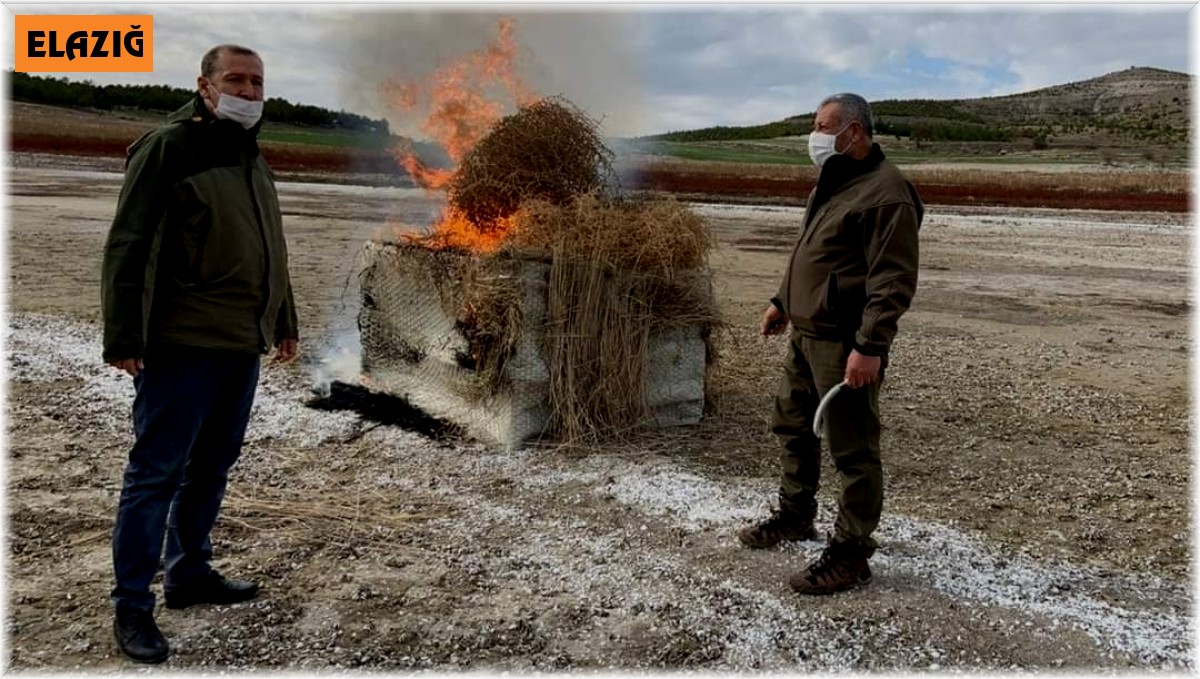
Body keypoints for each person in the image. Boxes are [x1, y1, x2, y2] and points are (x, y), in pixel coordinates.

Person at [101, 44, 299, 663]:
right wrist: (125, 335)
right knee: (156, 473)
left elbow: (271, 244)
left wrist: (284, 318)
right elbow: (129, 243)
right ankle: (133, 607)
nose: (248, 89)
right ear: (205, 86)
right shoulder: (168, 147)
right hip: (182, 342)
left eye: (257, 81)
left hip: (241, 341)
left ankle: (188, 573)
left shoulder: (249, 153)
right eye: (235, 79)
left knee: (212, 466)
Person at [738, 93, 922, 595]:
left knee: (853, 450)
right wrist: (783, 299)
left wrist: (871, 347)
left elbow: (893, 282)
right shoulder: (833, 180)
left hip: (844, 343)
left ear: (855, 131)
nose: (814, 136)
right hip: (806, 332)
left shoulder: (887, 193)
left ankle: (851, 554)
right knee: (793, 426)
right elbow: (810, 249)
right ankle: (796, 515)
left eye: (822, 126)